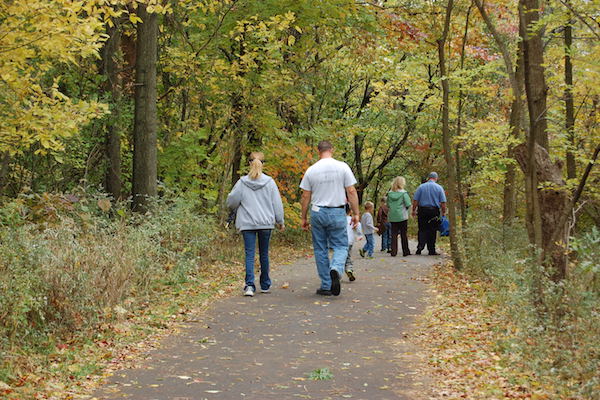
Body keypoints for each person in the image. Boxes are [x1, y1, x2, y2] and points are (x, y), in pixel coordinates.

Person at [300, 140, 360, 296]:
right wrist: (356, 213)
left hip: (317, 212)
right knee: (341, 245)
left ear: (317, 151)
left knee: (320, 249)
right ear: (332, 150)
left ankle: (326, 285)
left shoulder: (311, 170)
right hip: (337, 211)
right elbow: (351, 191)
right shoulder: (342, 167)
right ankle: (336, 268)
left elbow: (306, 195)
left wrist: (303, 217)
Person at [226, 152, 285, 296]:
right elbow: (277, 204)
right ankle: (265, 284)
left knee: (249, 254)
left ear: (248, 164)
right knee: (264, 254)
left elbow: (231, 202)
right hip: (265, 223)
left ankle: (249, 286)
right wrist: (280, 221)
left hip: (247, 223)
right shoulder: (270, 182)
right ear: (263, 164)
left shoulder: (242, 182)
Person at [412, 171, 446, 256]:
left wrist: (413, 210)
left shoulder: (421, 187)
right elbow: (443, 202)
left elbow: (415, 200)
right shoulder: (439, 188)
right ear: (436, 178)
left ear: (428, 178)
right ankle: (431, 250)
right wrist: (444, 212)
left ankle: (420, 247)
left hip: (422, 210)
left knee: (422, 229)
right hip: (434, 211)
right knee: (432, 230)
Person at [387, 176, 412, 257]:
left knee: (393, 234)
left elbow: (387, 205)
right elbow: (408, 204)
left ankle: (393, 252)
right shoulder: (404, 193)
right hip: (402, 216)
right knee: (403, 234)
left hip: (392, 216)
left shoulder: (389, 194)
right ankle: (405, 251)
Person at [344, 204, 363, 282]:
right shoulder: (352, 220)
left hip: (339, 242)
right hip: (349, 241)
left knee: (339, 257)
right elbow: (358, 226)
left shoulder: (338, 219)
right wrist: (359, 235)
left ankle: (337, 271)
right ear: (350, 211)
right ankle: (349, 269)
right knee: (347, 256)